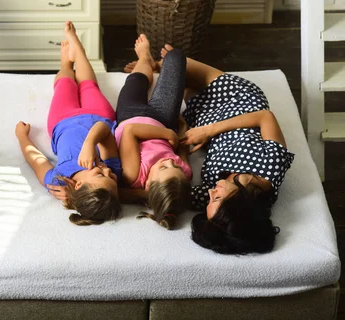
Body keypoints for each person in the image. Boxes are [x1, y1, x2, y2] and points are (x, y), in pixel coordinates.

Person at [143, 44, 295, 254]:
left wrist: (107, 190)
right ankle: (159, 64)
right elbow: (264, 117)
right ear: (239, 206)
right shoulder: (269, 171)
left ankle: (160, 65)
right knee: (176, 62)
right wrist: (210, 131)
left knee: (178, 77)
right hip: (240, 103)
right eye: (217, 198)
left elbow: (159, 191)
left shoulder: (212, 198)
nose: (212, 191)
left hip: (202, 119)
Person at [15, 21, 122, 226]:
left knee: (64, 83)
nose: (108, 171)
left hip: (62, 119)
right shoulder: (111, 169)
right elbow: (105, 132)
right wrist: (90, 143)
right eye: (113, 179)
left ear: (79, 184)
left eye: (100, 174)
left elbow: (36, 160)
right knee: (88, 84)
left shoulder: (58, 180)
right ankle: (77, 48)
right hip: (99, 115)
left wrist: (22, 137)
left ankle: (65, 64)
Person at [114, 34, 192, 229]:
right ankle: (156, 64)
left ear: (148, 185)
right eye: (177, 167)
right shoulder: (183, 175)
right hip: (163, 118)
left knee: (137, 82)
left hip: (130, 115)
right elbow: (181, 148)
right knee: (176, 57)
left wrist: (167, 135)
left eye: (164, 168)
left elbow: (131, 131)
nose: (170, 162)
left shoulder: (135, 174)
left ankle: (144, 59)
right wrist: (182, 131)